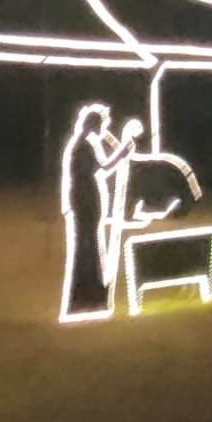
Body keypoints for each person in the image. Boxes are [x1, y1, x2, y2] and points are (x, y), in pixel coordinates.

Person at [57, 105, 139, 321]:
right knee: (87, 247)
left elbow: (100, 168)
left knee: (89, 247)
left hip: (85, 202)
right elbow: (102, 168)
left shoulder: (84, 143)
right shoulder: (84, 145)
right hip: (84, 203)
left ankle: (90, 293)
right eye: (102, 124)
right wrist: (122, 152)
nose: (104, 128)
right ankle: (87, 295)